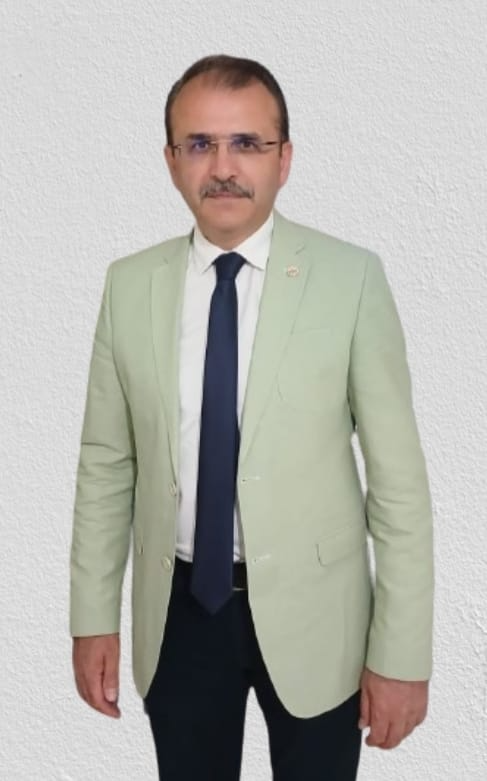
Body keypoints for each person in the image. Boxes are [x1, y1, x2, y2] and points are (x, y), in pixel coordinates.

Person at [70, 54, 434, 780]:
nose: (223, 167)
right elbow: (106, 465)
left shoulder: (350, 279)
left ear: (284, 158)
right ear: (171, 161)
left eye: (246, 143)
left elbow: (397, 485)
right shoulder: (129, 285)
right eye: (199, 144)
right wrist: (92, 616)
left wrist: (401, 653)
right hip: (178, 614)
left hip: (320, 618)